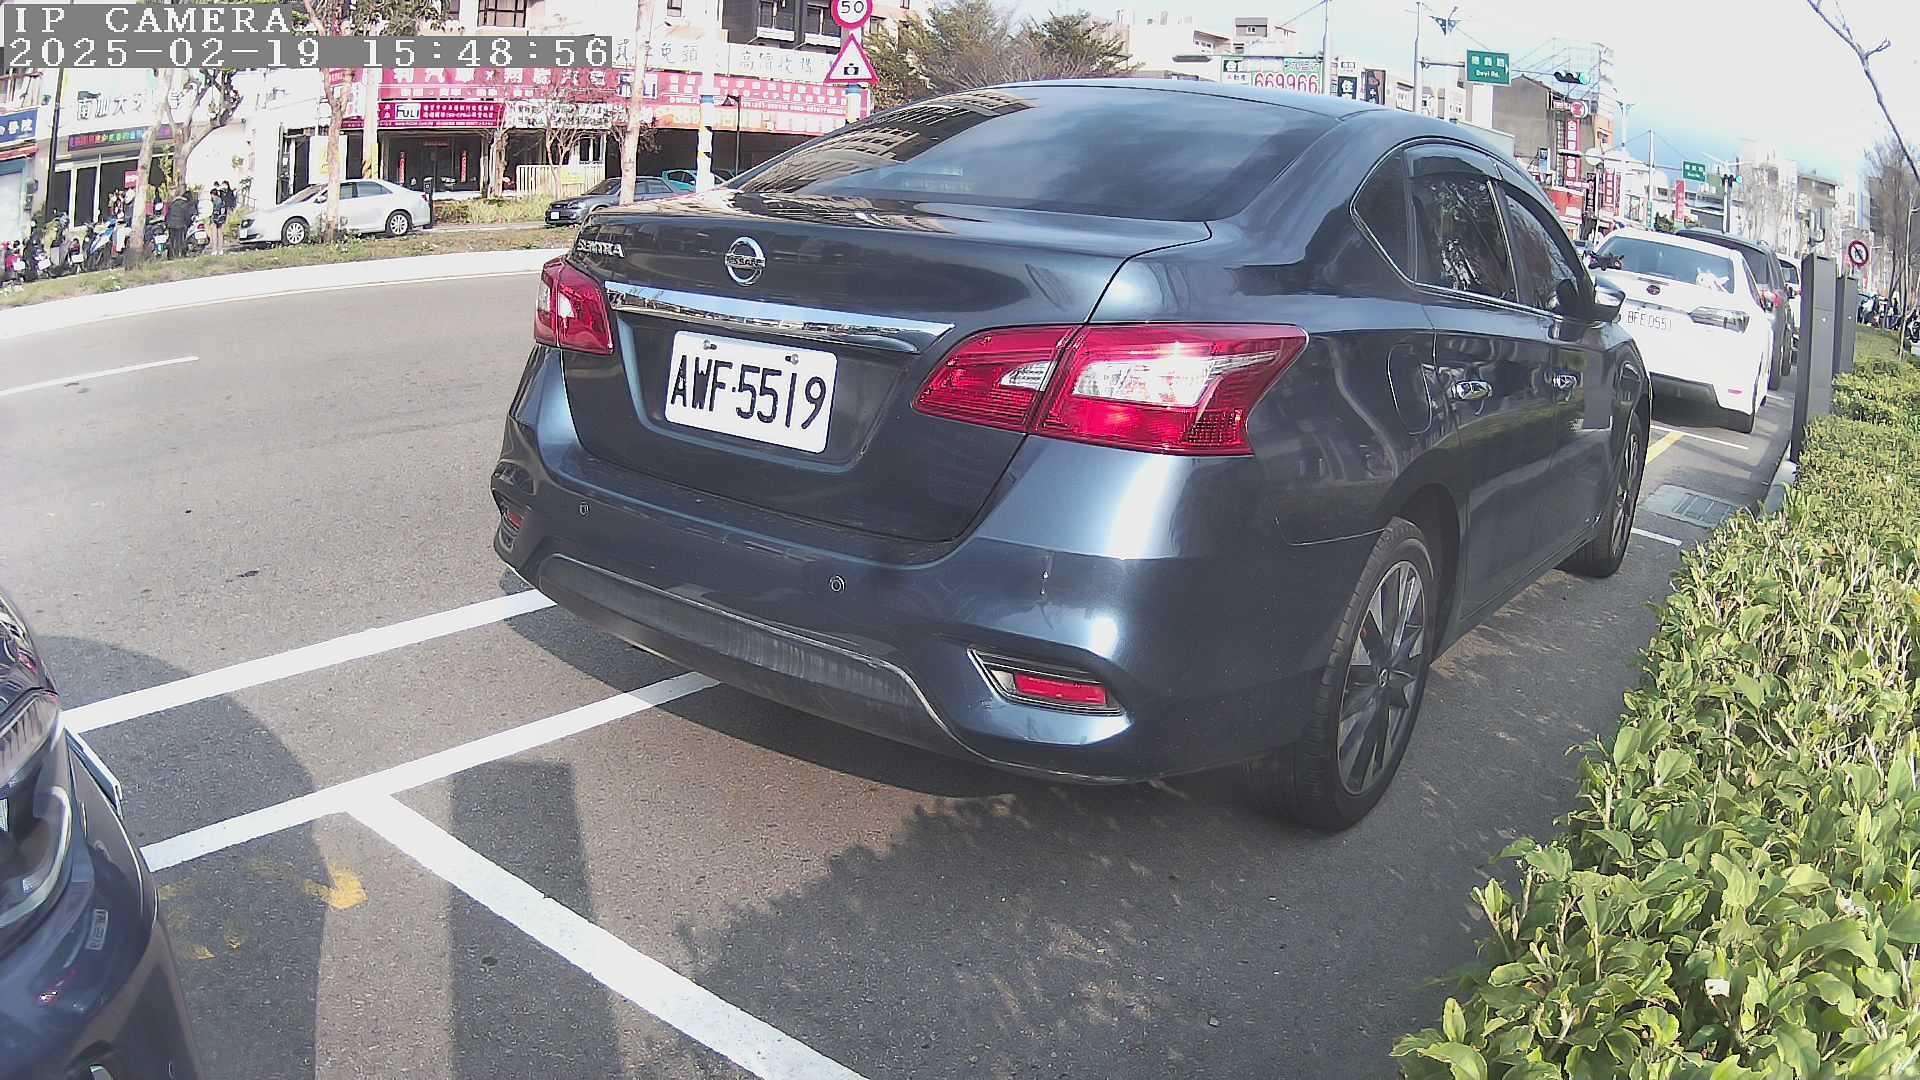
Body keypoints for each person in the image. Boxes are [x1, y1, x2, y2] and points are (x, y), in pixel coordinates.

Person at [164, 189, 193, 260]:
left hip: (171, 224)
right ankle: (181, 254)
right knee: (180, 240)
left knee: (172, 240)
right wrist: (188, 223)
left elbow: (167, 214)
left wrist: (167, 223)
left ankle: (171, 255)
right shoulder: (185, 204)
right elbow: (187, 216)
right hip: (180, 224)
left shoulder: (173, 203)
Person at [207, 184, 228, 256]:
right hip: (221, 219)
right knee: (220, 234)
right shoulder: (221, 200)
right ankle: (221, 250)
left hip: (215, 219)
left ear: (212, 194)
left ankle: (214, 250)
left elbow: (211, 210)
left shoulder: (214, 201)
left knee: (214, 235)